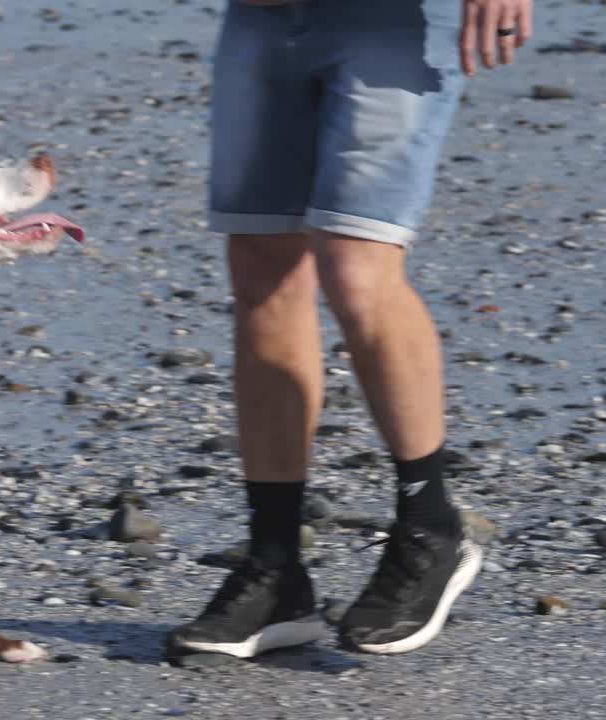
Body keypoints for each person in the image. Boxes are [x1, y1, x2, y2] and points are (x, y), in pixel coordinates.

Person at [166, 0, 534, 661]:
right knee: (262, 263)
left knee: (357, 264)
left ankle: (430, 526)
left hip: (396, 22)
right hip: (262, 17)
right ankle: (275, 567)